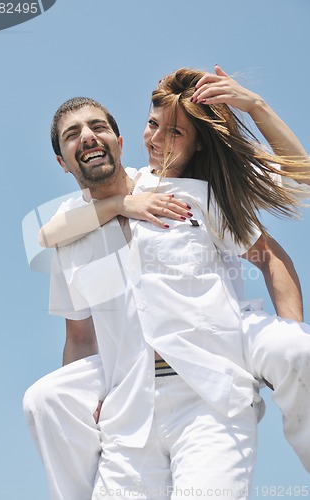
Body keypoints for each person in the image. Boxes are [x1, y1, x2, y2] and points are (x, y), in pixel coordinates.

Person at [23, 66, 310, 500]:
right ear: (62, 163)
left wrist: (287, 338)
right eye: (72, 134)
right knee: (43, 400)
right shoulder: (69, 235)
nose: (87, 136)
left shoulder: (189, 194)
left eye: (97, 126)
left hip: (208, 401)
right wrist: (95, 401)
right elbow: (79, 336)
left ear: (119, 144)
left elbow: (289, 198)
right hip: (129, 418)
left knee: (298, 349)